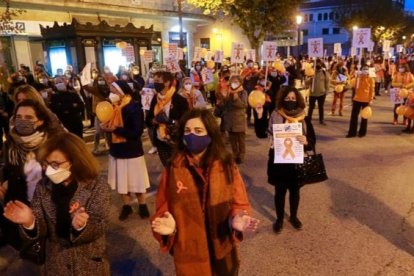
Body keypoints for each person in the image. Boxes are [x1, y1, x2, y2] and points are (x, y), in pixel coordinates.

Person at [151, 109, 259, 276]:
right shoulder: (174, 168)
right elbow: (162, 205)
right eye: (187, 131)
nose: (191, 135)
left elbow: (239, 202)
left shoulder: (226, 166)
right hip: (189, 249)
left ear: (210, 134)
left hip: (222, 247)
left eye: (198, 131)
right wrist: (169, 226)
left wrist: (236, 218)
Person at [3, 132, 110, 275]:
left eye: (55, 164)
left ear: (74, 161)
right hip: (55, 264)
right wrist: (30, 222)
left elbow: (100, 223)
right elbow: (41, 225)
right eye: (46, 163)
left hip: (88, 263)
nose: (48, 170)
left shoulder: (96, 185)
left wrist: (82, 225)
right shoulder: (42, 187)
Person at [0, 99, 62, 250]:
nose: (22, 121)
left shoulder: (54, 143)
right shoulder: (10, 143)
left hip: (50, 205)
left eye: (28, 118)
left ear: (40, 121)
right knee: (29, 246)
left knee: (54, 247)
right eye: (18, 117)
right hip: (22, 202)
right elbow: (6, 169)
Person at [267, 87, 316, 233]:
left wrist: (306, 141)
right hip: (279, 161)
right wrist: (258, 114)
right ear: (282, 99)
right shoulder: (275, 115)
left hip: (296, 162)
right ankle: (279, 219)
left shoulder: (303, 117)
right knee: (279, 191)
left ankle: (293, 216)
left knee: (295, 191)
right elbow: (262, 133)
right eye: (287, 99)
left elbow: (312, 139)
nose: (290, 101)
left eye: (293, 99)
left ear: (298, 100)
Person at [102, 81, 151, 221]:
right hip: (117, 150)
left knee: (137, 180)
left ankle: (142, 205)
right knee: (122, 181)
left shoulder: (134, 108)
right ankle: (126, 206)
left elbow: (136, 132)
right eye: (110, 90)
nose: (111, 93)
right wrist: (105, 126)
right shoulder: (112, 108)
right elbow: (107, 123)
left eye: (114, 90)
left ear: (122, 92)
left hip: (132, 151)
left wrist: (115, 129)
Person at [146, 71, 189, 167]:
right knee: (167, 166)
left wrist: (171, 121)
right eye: (154, 80)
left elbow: (186, 121)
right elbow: (148, 119)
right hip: (160, 139)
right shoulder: (155, 99)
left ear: (167, 83)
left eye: (158, 81)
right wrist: (154, 121)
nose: (155, 83)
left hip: (175, 140)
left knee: (178, 167)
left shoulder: (180, 100)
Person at [217, 75, 247, 164]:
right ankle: (235, 154)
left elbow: (243, 105)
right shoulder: (228, 91)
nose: (234, 84)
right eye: (232, 82)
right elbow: (224, 105)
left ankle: (241, 155)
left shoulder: (243, 92)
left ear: (240, 83)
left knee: (241, 140)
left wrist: (236, 97)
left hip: (239, 119)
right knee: (232, 139)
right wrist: (222, 98)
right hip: (229, 119)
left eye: (236, 82)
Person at [83, 74, 110, 154]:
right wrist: (84, 80)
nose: (101, 81)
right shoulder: (96, 89)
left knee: (107, 131)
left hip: (108, 112)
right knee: (98, 131)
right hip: (98, 113)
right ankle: (96, 147)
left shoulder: (108, 88)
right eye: (99, 80)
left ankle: (109, 145)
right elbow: (86, 88)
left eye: (102, 79)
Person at [346, 65, 374, 138]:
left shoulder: (370, 79)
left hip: (366, 100)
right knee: (354, 117)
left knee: (364, 117)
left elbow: (372, 90)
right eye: (364, 69)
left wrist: (371, 99)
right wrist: (355, 77)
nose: (365, 70)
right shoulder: (358, 78)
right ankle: (352, 132)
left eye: (366, 69)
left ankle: (362, 132)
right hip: (357, 99)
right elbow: (352, 85)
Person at [308, 59, 329, 124]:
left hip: (321, 93)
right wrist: (310, 78)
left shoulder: (324, 72)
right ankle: (309, 119)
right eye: (316, 63)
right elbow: (306, 82)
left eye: (319, 63)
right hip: (312, 93)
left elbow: (327, 82)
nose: (318, 65)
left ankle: (321, 120)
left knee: (321, 107)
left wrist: (326, 91)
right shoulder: (310, 72)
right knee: (311, 107)